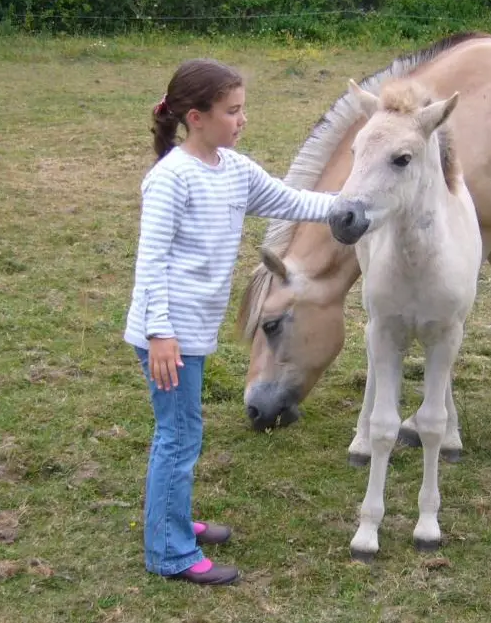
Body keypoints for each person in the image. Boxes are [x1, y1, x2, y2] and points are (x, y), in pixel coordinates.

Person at [123, 58, 337, 586]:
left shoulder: (233, 169)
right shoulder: (172, 178)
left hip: (185, 333)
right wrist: (160, 334)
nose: (242, 120)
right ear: (196, 117)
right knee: (177, 436)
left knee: (183, 432)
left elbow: (292, 200)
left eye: (243, 109)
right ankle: (169, 552)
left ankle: (173, 522)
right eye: (232, 111)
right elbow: (150, 263)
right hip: (167, 336)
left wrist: (346, 205)